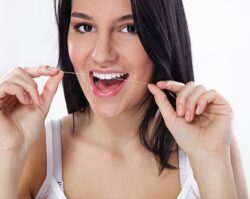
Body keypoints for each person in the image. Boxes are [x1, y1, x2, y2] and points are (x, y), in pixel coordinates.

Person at [0, 0, 248, 198]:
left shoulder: (211, 144)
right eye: (85, 27)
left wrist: (211, 161)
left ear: (163, 37)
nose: (102, 54)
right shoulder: (34, 150)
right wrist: (7, 152)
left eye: (130, 28)